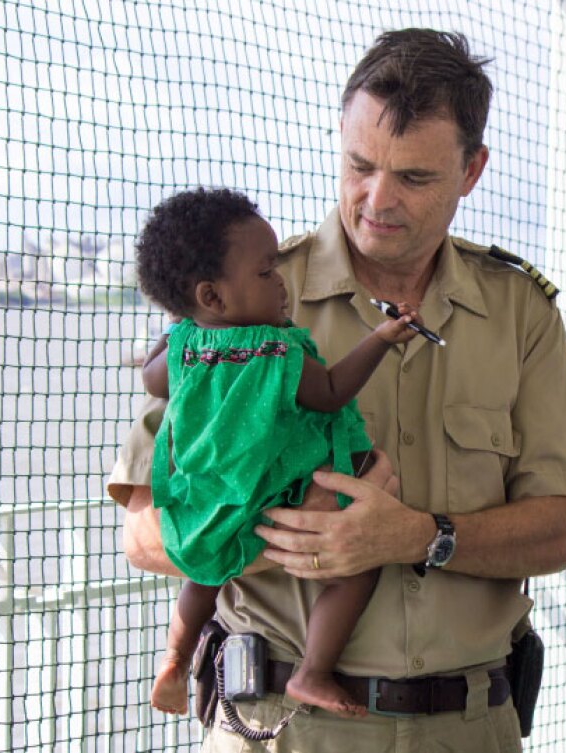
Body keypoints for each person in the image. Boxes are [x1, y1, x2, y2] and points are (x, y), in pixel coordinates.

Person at [107, 28, 566, 752]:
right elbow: (140, 533)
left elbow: (554, 532)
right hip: (277, 726)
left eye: (413, 178)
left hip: (471, 727)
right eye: (359, 165)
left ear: (472, 170)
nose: (377, 198)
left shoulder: (519, 311)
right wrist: (301, 533)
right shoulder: (245, 302)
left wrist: (419, 535)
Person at [134, 187, 420, 718]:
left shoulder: (181, 352)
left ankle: (174, 658)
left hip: (213, 507)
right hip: (280, 496)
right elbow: (332, 390)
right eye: (266, 273)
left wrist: (180, 330)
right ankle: (313, 670)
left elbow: (155, 379)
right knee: (362, 563)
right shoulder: (274, 351)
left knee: (205, 570)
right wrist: (382, 337)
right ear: (213, 297)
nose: (281, 282)